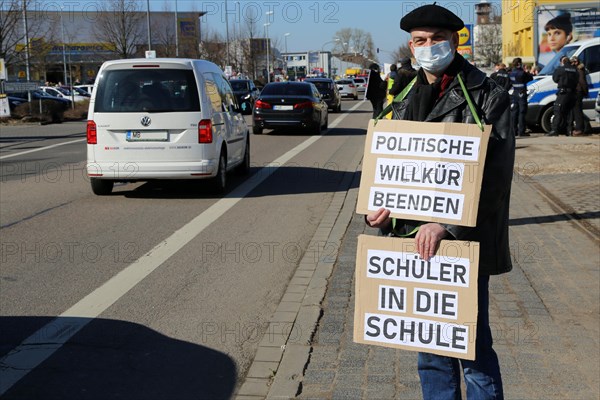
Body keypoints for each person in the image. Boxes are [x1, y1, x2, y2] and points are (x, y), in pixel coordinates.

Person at [365, 4, 514, 399]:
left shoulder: (487, 93)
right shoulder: (402, 94)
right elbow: (389, 166)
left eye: (436, 39)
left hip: (463, 243)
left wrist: (447, 225)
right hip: (412, 245)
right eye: (419, 41)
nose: (428, 47)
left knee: (472, 349)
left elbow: (495, 181)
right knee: (430, 353)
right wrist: (378, 210)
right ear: (410, 46)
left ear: (455, 40)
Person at [547, 56, 578, 136]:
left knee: (558, 110)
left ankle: (555, 130)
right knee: (569, 112)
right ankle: (569, 130)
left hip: (563, 93)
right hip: (573, 93)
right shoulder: (575, 69)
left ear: (562, 62)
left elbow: (555, 79)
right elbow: (577, 80)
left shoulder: (560, 69)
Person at [509, 57, 533, 137]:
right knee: (522, 112)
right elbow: (530, 77)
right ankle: (521, 131)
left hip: (515, 93)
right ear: (519, 64)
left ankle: (513, 130)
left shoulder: (511, 73)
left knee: (514, 112)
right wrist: (526, 70)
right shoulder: (522, 73)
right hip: (521, 93)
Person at [568, 56, 589, 136]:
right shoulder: (575, 70)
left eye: (573, 62)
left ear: (576, 62)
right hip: (575, 92)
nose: (572, 63)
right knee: (576, 111)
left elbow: (582, 82)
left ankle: (580, 129)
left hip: (578, 92)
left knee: (578, 111)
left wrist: (585, 92)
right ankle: (581, 128)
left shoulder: (579, 70)